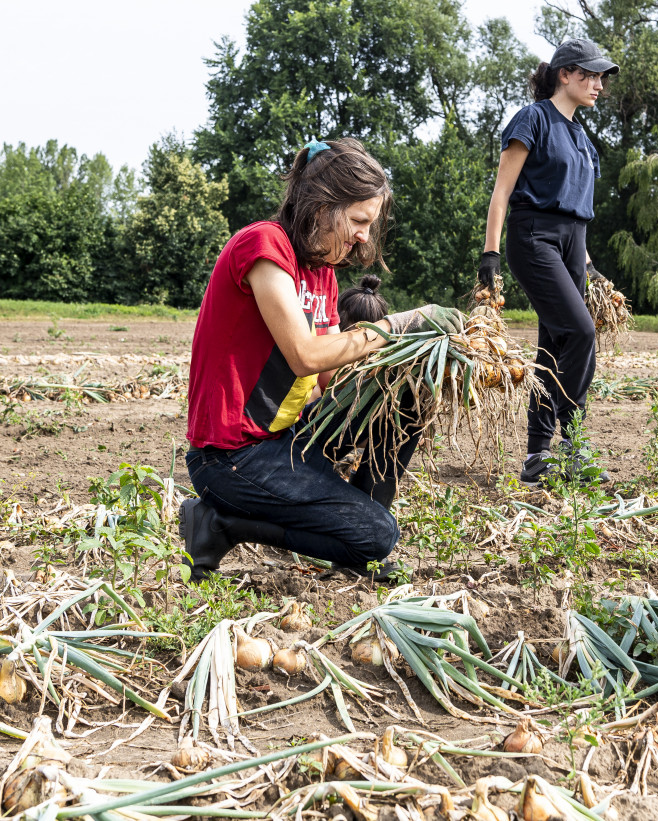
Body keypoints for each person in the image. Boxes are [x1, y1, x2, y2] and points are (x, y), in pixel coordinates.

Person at [182, 138, 460, 583]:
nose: (365, 235)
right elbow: (305, 356)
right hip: (231, 458)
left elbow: (333, 376)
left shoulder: (321, 271)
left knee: (406, 402)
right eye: (358, 220)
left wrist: (416, 366)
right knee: (378, 536)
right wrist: (397, 325)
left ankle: (354, 539)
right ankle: (218, 523)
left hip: (283, 437)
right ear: (321, 206)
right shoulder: (264, 246)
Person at [479, 38, 619, 486]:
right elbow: (502, 192)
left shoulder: (582, 138)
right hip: (534, 236)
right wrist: (491, 252)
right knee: (581, 330)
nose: (598, 84)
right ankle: (573, 440)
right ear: (565, 74)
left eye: (600, 77)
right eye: (590, 75)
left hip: (573, 245)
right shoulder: (533, 119)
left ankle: (536, 455)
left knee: (552, 349)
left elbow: (577, 208)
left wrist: (591, 266)